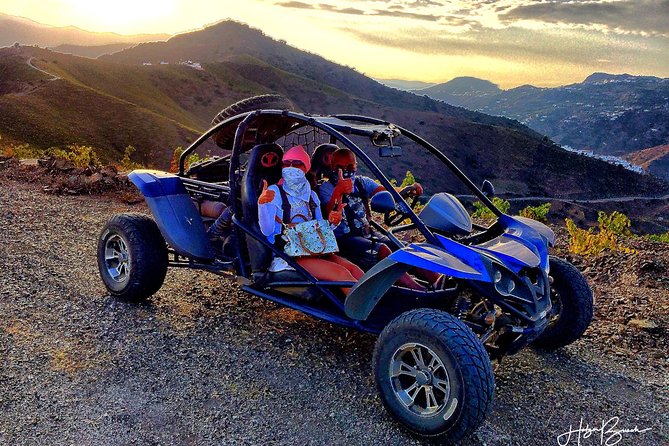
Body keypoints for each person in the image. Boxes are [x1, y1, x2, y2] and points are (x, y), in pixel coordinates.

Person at [319, 147, 438, 290]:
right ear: (332, 167)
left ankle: (439, 282)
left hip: (367, 232)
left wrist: (408, 190)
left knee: (404, 248)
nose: (345, 170)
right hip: (343, 240)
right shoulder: (326, 188)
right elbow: (328, 214)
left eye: (350, 166)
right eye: (339, 167)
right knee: (382, 250)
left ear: (356, 166)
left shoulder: (361, 183)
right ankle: (419, 292)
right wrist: (339, 190)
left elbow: (387, 192)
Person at [258, 145, 364, 295]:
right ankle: (364, 314)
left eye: (296, 164)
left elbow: (320, 227)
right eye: (286, 164)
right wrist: (263, 205)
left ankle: (384, 306)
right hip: (289, 254)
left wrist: (333, 222)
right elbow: (267, 231)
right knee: (341, 274)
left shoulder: (312, 195)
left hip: (314, 247)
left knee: (354, 269)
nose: (290, 168)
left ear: (306, 168)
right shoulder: (274, 192)